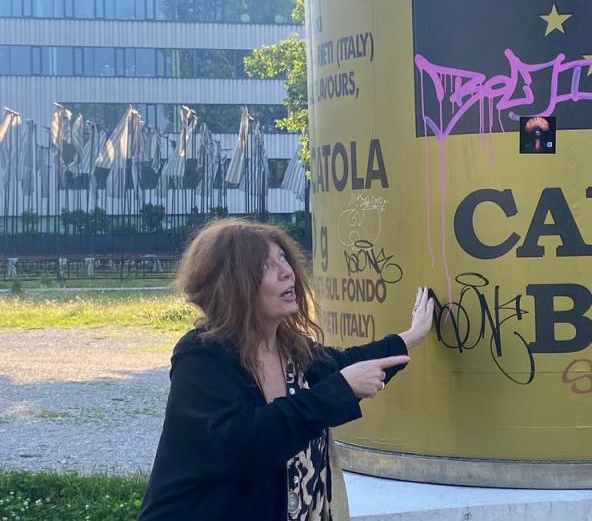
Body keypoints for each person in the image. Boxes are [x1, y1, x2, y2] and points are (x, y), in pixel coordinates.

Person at [137, 218, 433, 521]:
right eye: (266, 266)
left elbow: (347, 365)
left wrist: (411, 336)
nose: (287, 272)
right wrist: (337, 392)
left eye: (284, 258)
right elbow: (241, 442)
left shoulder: (291, 349)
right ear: (230, 284)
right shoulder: (202, 356)